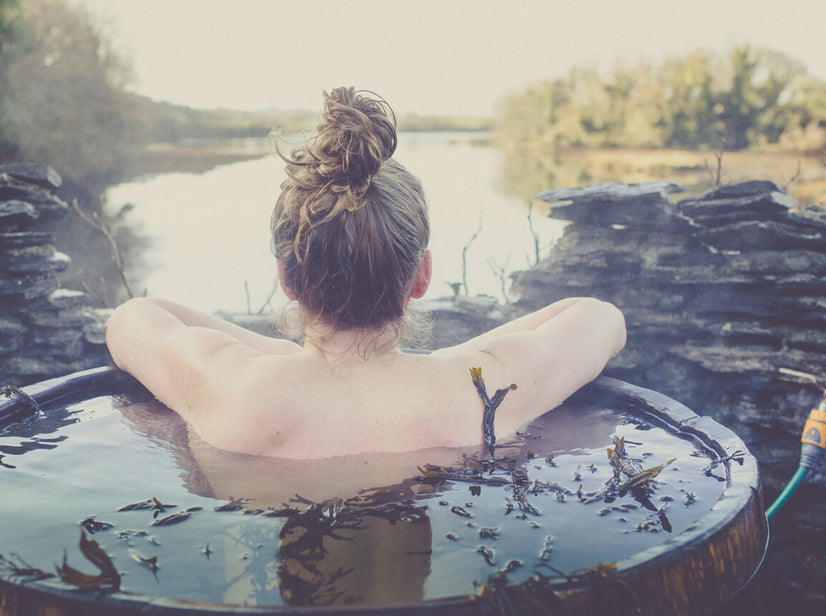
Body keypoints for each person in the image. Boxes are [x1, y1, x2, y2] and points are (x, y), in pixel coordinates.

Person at [106, 87, 626, 460]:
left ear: (287, 280)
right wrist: (454, 362)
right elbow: (599, 317)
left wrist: (290, 356)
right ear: (421, 276)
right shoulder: (479, 392)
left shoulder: (232, 385)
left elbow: (132, 318)